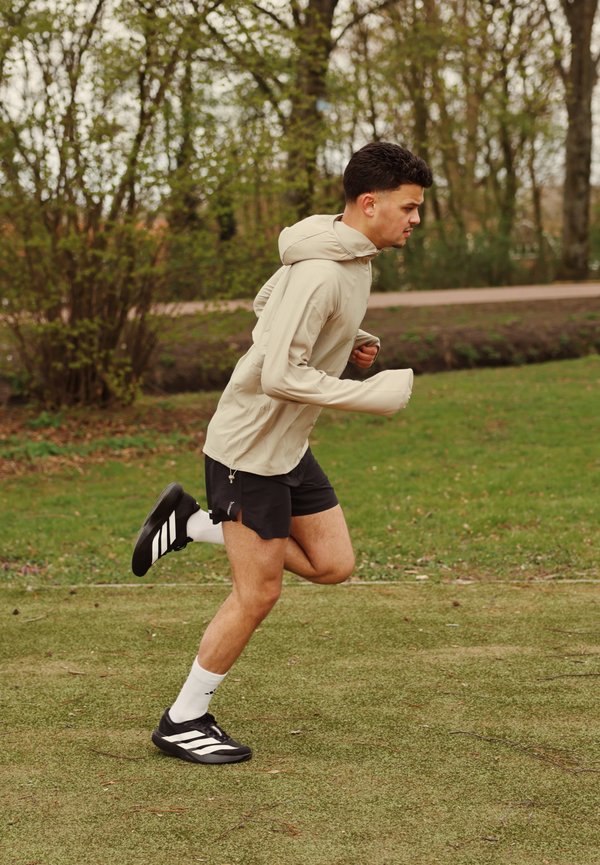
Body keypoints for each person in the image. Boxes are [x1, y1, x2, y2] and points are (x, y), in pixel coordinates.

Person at [131, 141, 433, 764]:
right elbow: (276, 373)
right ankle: (183, 719)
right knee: (258, 592)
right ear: (369, 202)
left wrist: (351, 338)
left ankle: (188, 523)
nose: (415, 219)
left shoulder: (348, 254)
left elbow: (268, 306)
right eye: (408, 207)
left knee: (334, 563)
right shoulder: (324, 267)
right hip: (249, 450)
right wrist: (373, 392)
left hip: (287, 445)